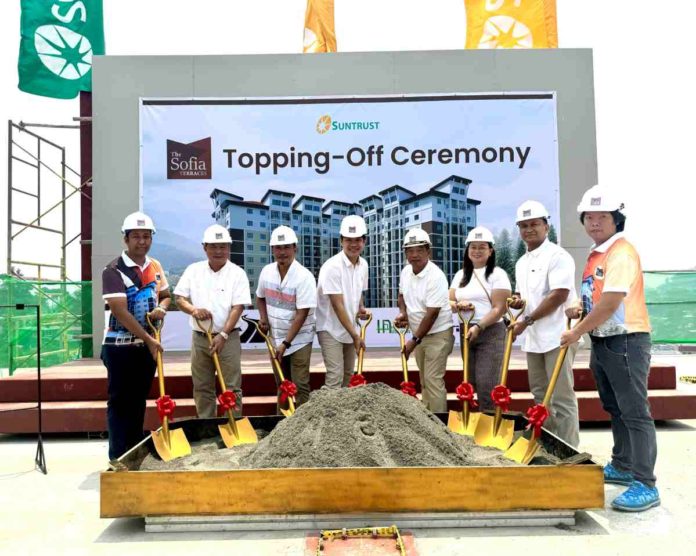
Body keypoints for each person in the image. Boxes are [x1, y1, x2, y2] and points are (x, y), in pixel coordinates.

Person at [561, 185, 658, 512]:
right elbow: (593, 297)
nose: (595, 222)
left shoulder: (621, 253)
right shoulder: (597, 253)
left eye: (602, 216)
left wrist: (576, 331)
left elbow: (611, 301)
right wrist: (578, 306)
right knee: (615, 406)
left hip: (626, 340)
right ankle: (623, 464)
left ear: (617, 219)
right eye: (589, 216)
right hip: (604, 339)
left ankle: (645, 483)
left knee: (635, 412)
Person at [509, 200, 581, 448]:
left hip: (558, 336)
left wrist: (526, 320)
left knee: (561, 398)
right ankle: (549, 446)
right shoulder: (521, 262)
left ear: (546, 225)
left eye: (534, 224)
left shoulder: (558, 256)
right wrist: (517, 303)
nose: (529, 229)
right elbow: (522, 296)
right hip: (534, 339)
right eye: (524, 225)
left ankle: (569, 450)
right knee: (541, 396)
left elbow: (559, 295)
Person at [101, 211, 171, 462]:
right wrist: (150, 339)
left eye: (146, 236)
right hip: (119, 349)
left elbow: (166, 295)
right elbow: (120, 312)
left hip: (145, 349)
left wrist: (161, 308)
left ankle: (134, 453)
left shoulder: (156, 266)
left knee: (138, 401)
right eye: (136, 236)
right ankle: (118, 458)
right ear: (126, 239)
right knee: (120, 403)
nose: (142, 241)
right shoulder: (112, 270)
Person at [174, 224, 251, 418]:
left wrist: (223, 334)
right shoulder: (193, 270)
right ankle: (207, 428)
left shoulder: (237, 273)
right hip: (200, 339)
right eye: (213, 246)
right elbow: (179, 298)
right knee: (202, 387)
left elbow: (238, 307)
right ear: (204, 247)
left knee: (232, 387)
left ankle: (232, 428)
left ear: (229, 248)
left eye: (223, 246)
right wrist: (194, 310)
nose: (219, 251)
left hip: (229, 338)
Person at [448, 226, 511, 411]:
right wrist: (458, 306)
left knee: (487, 384)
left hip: (490, 333)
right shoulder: (460, 275)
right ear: (467, 250)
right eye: (473, 247)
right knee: (470, 382)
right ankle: (474, 426)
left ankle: (491, 426)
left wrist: (480, 326)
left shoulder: (498, 275)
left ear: (490, 251)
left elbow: (500, 308)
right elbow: (449, 300)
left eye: (482, 247)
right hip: (466, 332)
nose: (476, 251)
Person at [256, 225, 317, 407]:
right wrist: (263, 318)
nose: (282, 252)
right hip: (275, 339)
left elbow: (302, 314)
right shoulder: (266, 272)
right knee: (282, 384)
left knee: (300, 385)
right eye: (278, 248)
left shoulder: (304, 277)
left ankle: (302, 428)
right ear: (272, 249)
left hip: (299, 340)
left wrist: (285, 343)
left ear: (295, 248)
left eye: (286, 247)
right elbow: (260, 298)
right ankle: (281, 427)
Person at [395, 228, 454, 412]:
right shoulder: (406, 272)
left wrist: (414, 340)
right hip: (418, 334)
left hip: (437, 334)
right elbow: (401, 296)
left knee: (433, 379)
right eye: (410, 251)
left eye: (419, 250)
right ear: (405, 253)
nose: (414, 255)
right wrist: (403, 313)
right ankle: (429, 423)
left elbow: (432, 314)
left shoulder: (436, 276)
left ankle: (440, 427)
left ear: (428, 251)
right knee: (424, 379)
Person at [316, 215, 371, 389]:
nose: (353, 244)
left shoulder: (363, 265)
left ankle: (344, 416)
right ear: (341, 241)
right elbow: (337, 305)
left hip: (349, 328)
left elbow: (358, 292)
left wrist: (360, 307)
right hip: (330, 328)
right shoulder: (332, 267)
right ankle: (327, 415)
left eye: (357, 240)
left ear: (364, 241)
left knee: (348, 375)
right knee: (335, 376)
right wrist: (356, 336)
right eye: (348, 240)